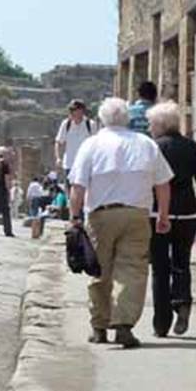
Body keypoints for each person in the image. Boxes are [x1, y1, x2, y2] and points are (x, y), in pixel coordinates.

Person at [68, 97, 173, 348]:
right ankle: (124, 324)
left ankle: (100, 326)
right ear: (127, 118)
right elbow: (163, 184)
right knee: (132, 270)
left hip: (100, 215)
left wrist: (74, 218)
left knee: (99, 269)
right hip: (137, 214)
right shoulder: (146, 144)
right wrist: (164, 216)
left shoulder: (91, 145)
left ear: (102, 120)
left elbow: (78, 186)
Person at [146, 101, 196, 337]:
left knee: (160, 268)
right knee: (181, 263)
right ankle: (182, 302)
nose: (150, 128)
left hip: (157, 212)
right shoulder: (191, 147)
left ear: (161, 125)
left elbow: (146, 182)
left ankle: (161, 323)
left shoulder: (154, 147)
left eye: (152, 123)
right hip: (187, 212)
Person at [54, 99, 96, 180]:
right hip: (69, 164)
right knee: (70, 191)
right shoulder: (66, 124)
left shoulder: (90, 125)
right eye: (71, 110)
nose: (72, 112)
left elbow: (96, 145)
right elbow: (58, 142)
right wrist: (58, 158)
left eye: (74, 110)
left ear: (81, 111)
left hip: (85, 165)